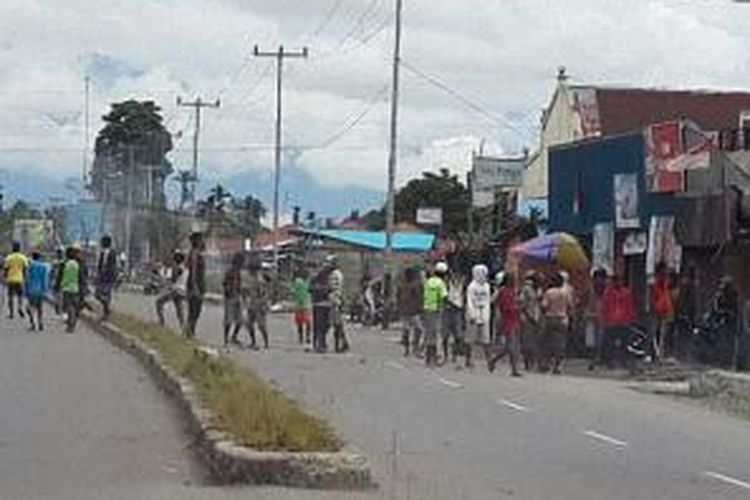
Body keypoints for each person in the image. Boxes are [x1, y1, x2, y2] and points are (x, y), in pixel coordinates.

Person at [487, 272, 522, 376]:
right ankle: (495, 360)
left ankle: (513, 369)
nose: (514, 281)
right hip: (507, 319)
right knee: (510, 347)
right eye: (512, 279)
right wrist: (516, 307)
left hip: (514, 319)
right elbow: (504, 306)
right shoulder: (503, 291)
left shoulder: (512, 291)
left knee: (513, 347)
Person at [599, 273, 636, 369]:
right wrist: (604, 319)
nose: (619, 282)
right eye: (617, 280)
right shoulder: (608, 292)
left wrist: (630, 318)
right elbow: (605, 306)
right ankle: (610, 362)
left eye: (621, 280)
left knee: (624, 343)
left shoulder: (627, 292)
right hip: (611, 322)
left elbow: (630, 306)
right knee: (610, 344)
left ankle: (623, 361)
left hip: (623, 321)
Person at [541, 272, 574, 374]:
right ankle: (558, 366)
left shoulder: (549, 292)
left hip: (550, 319)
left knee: (548, 342)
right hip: (562, 319)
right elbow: (570, 307)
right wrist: (571, 319)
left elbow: (544, 306)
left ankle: (546, 364)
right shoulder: (566, 293)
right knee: (561, 344)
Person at [465, 264, 492, 369]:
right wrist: (472, 314)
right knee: (470, 339)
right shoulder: (472, 286)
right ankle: (468, 359)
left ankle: (489, 360)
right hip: (474, 313)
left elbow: (487, 301)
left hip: (484, 313)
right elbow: (469, 301)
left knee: (486, 339)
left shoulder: (487, 286)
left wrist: (486, 315)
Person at [423, 262, 448, 367]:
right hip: (436, 311)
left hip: (427, 309)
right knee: (436, 335)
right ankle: (433, 359)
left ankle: (428, 358)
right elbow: (443, 298)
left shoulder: (428, 282)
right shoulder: (441, 284)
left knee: (429, 334)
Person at [155, 250, 187, 329]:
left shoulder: (177, 267)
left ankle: (161, 322)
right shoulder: (184, 267)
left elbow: (173, 280)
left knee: (158, 302)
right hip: (182, 291)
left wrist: (165, 281)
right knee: (179, 309)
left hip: (176, 290)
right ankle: (183, 327)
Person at [649, 262, 673, 362]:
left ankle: (661, 355)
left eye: (665, 273)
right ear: (658, 273)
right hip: (656, 313)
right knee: (655, 334)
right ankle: (655, 356)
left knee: (663, 335)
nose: (665, 275)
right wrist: (655, 309)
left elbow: (666, 299)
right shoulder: (653, 285)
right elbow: (651, 300)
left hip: (665, 313)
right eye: (663, 273)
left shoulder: (665, 285)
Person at [397, 266, 424, 357]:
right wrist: (421, 308)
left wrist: (399, 308)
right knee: (418, 329)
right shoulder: (416, 284)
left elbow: (398, 297)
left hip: (405, 311)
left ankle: (407, 349)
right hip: (413, 311)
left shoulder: (402, 285)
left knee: (406, 330)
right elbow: (420, 297)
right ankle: (414, 347)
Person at [519, 271, 542, 371]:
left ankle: (533, 363)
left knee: (535, 341)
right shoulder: (527, 289)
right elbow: (522, 305)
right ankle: (527, 363)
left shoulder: (537, 290)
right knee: (527, 341)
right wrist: (529, 317)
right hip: (527, 318)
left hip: (536, 317)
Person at [443, 267, 466, 364]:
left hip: (458, 311)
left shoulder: (462, 286)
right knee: (446, 335)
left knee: (458, 335)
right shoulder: (447, 285)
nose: (458, 278)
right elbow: (444, 297)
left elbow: (464, 298)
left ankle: (454, 355)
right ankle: (446, 355)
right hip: (449, 311)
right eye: (455, 276)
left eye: (459, 276)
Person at [245, 259, 269, 350]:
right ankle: (254, 342)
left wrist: (263, 305)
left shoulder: (259, 280)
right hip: (253, 303)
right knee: (249, 324)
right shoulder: (252, 279)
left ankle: (265, 342)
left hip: (259, 304)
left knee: (261, 326)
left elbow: (264, 294)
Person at [185, 232, 206, 338]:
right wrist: (195, 287)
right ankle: (189, 331)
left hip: (199, 283)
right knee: (194, 309)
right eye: (201, 239)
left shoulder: (198, 253)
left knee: (196, 310)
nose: (203, 241)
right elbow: (192, 271)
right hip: (195, 284)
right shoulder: (194, 253)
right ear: (197, 241)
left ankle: (191, 330)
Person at [222, 252, 245, 347]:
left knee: (240, 320)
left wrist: (240, 292)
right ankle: (226, 339)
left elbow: (239, 284)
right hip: (230, 297)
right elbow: (224, 283)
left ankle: (234, 337)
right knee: (228, 320)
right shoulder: (229, 271)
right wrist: (228, 290)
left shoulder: (238, 272)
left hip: (237, 296)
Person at [328, 256, 349, 353]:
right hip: (336, 300)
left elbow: (334, 289)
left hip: (335, 301)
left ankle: (341, 344)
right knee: (338, 324)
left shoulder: (335, 275)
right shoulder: (337, 274)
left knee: (337, 325)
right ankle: (342, 344)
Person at [57, 246, 81, 333]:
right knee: (73, 306)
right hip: (75, 288)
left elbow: (59, 276)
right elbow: (80, 277)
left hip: (66, 288)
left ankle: (71, 324)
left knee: (69, 306)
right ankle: (72, 323)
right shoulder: (77, 264)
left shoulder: (64, 264)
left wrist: (57, 286)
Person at [24, 250, 49, 331]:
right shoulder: (43, 266)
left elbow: (27, 278)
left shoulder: (30, 266)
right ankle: (40, 323)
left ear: (33, 257)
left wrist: (26, 289)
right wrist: (45, 289)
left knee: (29, 308)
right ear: (39, 257)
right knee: (40, 308)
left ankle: (33, 324)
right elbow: (45, 279)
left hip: (31, 290)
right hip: (41, 290)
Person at [311, 261, 333, 353]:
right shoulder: (315, 279)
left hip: (326, 305)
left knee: (325, 325)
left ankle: (321, 343)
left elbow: (331, 289)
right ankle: (318, 344)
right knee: (319, 326)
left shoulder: (329, 279)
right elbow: (311, 289)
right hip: (319, 305)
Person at [95, 234, 118, 320]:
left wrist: (113, 276)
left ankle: (106, 313)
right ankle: (107, 309)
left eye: (102, 242)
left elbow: (113, 266)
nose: (101, 243)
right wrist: (98, 274)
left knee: (107, 295)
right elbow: (100, 265)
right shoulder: (102, 253)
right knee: (97, 294)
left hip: (109, 277)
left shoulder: (112, 253)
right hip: (101, 277)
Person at [3, 241, 28, 319]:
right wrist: (24, 277)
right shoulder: (23, 257)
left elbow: (6, 269)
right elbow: (25, 269)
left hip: (10, 279)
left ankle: (11, 313)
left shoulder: (9, 257)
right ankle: (20, 307)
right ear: (19, 248)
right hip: (20, 279)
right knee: (20, 295)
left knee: (10, 296)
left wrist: (5, 276)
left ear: (13, 248)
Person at [292, 268, 313, 345]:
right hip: (306, 304)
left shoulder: (297, 282)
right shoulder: (308, 282)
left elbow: (293, 292)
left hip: (298, 305)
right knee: (308, 322)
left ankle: (301, 337)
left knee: (299, 323)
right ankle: (307, 337)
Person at [52, 247, 65, 315]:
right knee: (58, 295)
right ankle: (58, 307)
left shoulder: (56, 262)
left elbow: (52, 271)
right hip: (59, 280)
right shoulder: (62, 262)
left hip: (58, 280)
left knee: (57, 295)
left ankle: (58, 307)